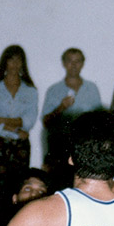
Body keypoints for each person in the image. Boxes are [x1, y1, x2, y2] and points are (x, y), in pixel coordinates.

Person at [0, 46, 38, 209]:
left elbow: (29, 121)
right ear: (5, 62)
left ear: (23, 63)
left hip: (20, 145)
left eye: (18, 60)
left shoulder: (30, 90)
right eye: (11, 59)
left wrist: (3, 120)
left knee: (20, 184)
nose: (15, 64)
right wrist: (16, 128)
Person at [42, 48, 102, 190]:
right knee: (60, 186)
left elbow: (99, 121)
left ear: (83, 64)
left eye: (77, 61)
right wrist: (61, 107)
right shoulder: (54, 90)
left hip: (86, 148)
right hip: (61, 148)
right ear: (64, 63)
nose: (74, 65)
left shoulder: (92, 88)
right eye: (70, 61)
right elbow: (46, 122)